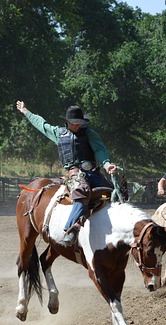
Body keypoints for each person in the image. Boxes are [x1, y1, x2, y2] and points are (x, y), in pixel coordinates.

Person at [16, 101, 118, 245]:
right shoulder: (59, 133)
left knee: (115, 194)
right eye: (74, 123)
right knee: (81, 191)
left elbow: (100, 151)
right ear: (67, 122)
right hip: (75, 172)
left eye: (79, 123)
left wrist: (107, 165)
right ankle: (71, 229)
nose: (77, 125)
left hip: (93, 172)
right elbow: (42, 124)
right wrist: (26, 111)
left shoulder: (90, 134)